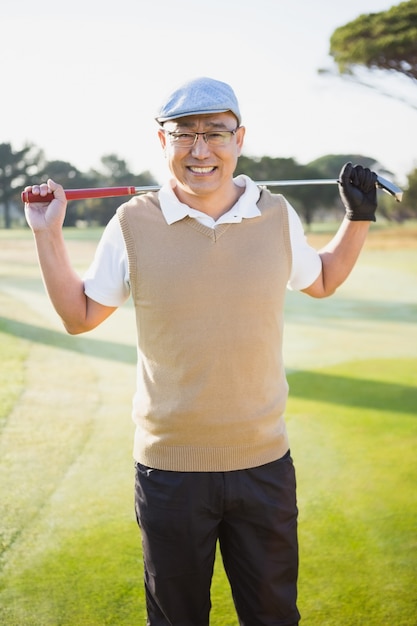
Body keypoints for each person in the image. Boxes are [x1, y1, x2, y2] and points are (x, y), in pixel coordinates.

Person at [24, 76, 378, 626]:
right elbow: (80, 316)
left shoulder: (277, 213)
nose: (200, 149)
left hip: (263, 465)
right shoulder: (132, 221)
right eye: (183, 134)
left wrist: (358, 218)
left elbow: (323, 279)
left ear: (240, 139)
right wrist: (48, 234)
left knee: (274, 617)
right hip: (169, 472)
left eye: (215, 132)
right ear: (161, 141)